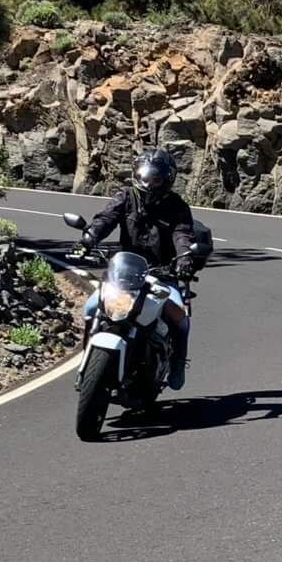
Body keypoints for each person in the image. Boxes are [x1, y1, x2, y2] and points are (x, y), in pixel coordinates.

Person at [83, 151, 209, 390]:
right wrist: (89, 238)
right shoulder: (125, 196)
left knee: (179, 317)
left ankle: (178, 362)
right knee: (90, 308)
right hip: (124, 273)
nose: (148, 183)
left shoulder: (177, 206)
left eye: (156, 179)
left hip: (162, 274)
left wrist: (184, 259)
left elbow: (182, 234)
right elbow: (106, 219)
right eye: (144, 177)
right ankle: (88, 356)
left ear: (167, 179)